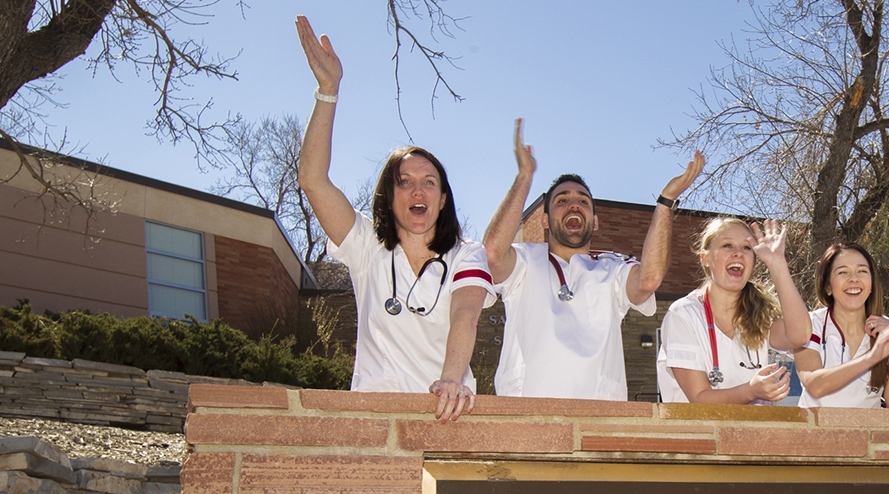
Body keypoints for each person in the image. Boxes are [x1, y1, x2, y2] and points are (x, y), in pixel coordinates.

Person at [295, 16, 494, 422]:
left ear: (442, 200)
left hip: (449, 413)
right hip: (375, 417)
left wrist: (450, 380)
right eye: (404, 182)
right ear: (389, 196)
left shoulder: (466, 253)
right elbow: (312, 180)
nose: (417, 191)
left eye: (429, 182)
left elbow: (466, 313)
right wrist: (328, 92)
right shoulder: (365, 246)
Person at [482, 119, 704, 401]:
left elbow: (648, 280)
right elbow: (491, 255)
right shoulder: (524, 260)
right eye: (561, 200)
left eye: (583, 201)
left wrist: (666, 201)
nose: (574, 204)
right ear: (545, 220)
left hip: (597, 416)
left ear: (595, 222)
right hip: (529, 413)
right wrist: (524, 177)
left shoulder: (612, 268)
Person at [656, 217, 812, 404]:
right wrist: (751, 391)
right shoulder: (683, 315)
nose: (738, 253)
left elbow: (800, 335)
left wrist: (777, 264)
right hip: (699, 433)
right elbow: (699, 399)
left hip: (751, 432)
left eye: (747, 248)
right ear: (705, 259)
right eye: (727, 246)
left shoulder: (759, 314)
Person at [796, 242, 889, 409]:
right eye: (843, 272)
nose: (854, 279)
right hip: (815, 433)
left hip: (868, 434)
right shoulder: (810, 325)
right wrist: (872, 357)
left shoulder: (888, 330)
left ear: (872, 284)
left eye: (862, 271)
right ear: (828, 286)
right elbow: (815, 386)